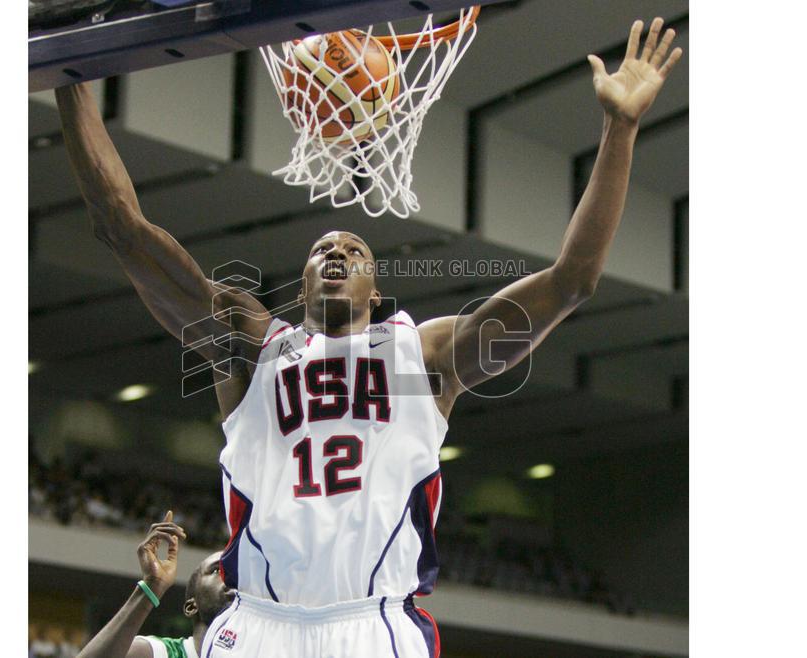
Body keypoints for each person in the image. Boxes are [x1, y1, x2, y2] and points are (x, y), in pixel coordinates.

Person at [55, 17, 682, 657]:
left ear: (376, 293)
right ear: (300, 289)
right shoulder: (250, 348)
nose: (337, 252)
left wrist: (620, 128)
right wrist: (70, 75)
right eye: (322, 248)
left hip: (373, 624)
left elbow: (572, 282)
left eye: (354, 250)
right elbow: (123, 229)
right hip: (258, 623)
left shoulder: (424, 355)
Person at [76, 512, 236, 658]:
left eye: (238, 575)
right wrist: (151, 587)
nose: (232, 579)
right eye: (217, 571)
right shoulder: (158, 652)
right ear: (191, 606)